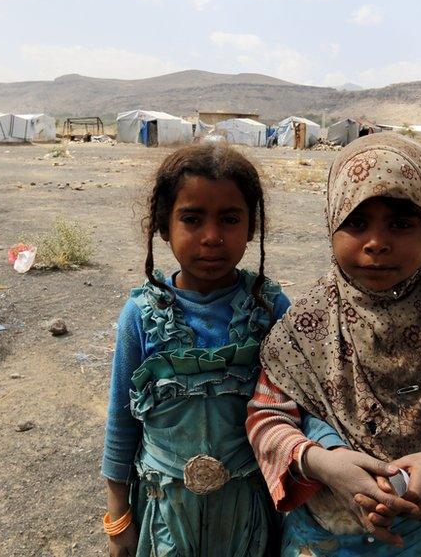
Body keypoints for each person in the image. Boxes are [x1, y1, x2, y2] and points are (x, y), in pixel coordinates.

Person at [247, 133, 421, 556]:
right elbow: (266, 417)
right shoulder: (306, 327)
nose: (376, 242)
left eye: (400, 223)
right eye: (356, 223)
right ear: (331, 222)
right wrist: (323, 463)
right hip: (319, 542)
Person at [101, 142, 292, 556]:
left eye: (229, 219)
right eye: (192, 218)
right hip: (163, 511)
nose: (211, 237)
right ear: (163, 226)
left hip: (249, 511)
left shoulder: (271, 311)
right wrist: (118, 519)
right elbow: (121, 421)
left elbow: (297, 415)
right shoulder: (140, 315)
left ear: (251, 226)